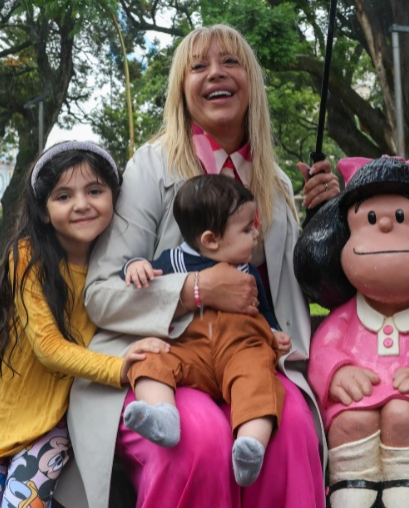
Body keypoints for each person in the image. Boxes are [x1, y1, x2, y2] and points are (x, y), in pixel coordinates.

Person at [53, 24, 338, 508]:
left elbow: (306, 290)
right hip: (167, 364)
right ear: (181, 89)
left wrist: (327, 218)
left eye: (230, 62)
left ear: (251, 80)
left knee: (288, 430)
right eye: (198, 66)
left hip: (249, 359)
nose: (215, 74)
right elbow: (100, 292)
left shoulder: (276, 183)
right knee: (198, 440)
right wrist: (195, 290)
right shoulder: (151, 167)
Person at [0, 142, 168, 507]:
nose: (82, 204)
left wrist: (135, 266)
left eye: (95, 191)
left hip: (50, 427)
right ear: (43, 210)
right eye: (64, 195)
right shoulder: (26, 258)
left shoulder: (116, 266)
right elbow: (49, 348)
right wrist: (120, 367)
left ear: (116, 199)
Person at [294, 154, 409, 508]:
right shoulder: (345, 317)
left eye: (402, 217)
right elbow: (324, 349)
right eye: (370, 219)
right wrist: (337, 371)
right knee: (351, 421)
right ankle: (350, 479)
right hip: (355, 401)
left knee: (404, 417)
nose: (386, 228)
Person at [120, 174, 291, 487]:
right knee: (150, 358)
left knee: (257, 376)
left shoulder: (246, 271)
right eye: (246, 229)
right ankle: (163, 415)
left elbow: (263, 308)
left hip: (239, 349)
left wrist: (273, 330)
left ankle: (251, 444)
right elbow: (137, 274)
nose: (256, 235)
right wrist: (134, 266)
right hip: (189, 350)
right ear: (211, 239)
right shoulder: (173, 260)